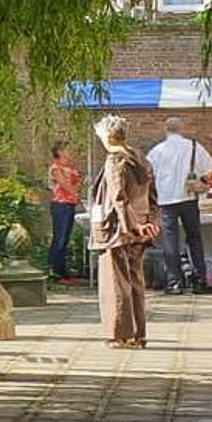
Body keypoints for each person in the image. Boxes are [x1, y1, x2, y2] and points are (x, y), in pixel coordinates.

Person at [90, 116, 159, 348]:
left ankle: (122, 335)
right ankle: (138, 334)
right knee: (135, 283)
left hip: (117, 231)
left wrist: (131, 224)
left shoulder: (115, 160)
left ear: (108, 136)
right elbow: (152, 195)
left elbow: (119, 197)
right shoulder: (140, 158)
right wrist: (149, 222)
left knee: (116, 284)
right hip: (138, 229)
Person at [144, 117, 212, 294]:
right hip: (189, 197)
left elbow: (146, 175)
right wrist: (202, 184)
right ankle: (200, 280)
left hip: (166, 200)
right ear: (181, 128)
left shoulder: (157, 151)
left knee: (170, 241)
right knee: (194, 239)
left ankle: (174, 282)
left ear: (166, 130)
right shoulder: (194, 147)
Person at [47, 140, 83, 281]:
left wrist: (77, 188)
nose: (71, 152)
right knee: (59, 238)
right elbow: (65, 185)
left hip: (70, 204)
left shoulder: (70, 167)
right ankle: (54, 271)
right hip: (60, 204)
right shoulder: (56, 168)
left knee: (65, 238)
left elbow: (78, 183)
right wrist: (75, 192)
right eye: (68, 150)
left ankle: (62, 272)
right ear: (60, 152)